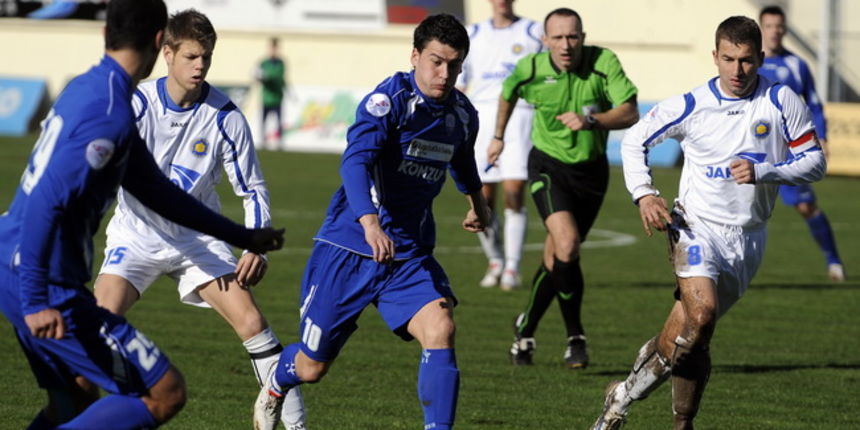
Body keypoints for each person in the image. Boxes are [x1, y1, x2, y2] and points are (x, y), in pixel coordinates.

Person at [0, 1, 285, 429]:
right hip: (41, 278)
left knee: (74, 401)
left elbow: (156, 191)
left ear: (105, 34)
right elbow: (46, 202)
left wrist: (241, 235)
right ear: (159, 44)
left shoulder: (89, 88)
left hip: (15, 262)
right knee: (165, 392)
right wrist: (37, 297)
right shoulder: (111, 113)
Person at [252, 14, 490, 430]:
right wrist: (370, 223)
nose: (444, 74)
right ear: (415, 56)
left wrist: (478, 203)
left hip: (408, 254)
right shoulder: (388, 102)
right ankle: (277, 382)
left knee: (441, 328)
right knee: (312, 367)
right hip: (350, 246)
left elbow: (463, 158)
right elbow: (354, 162)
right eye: (436, 61)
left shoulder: (463, 113)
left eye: (454, 65)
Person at [591, 16, 827, 430]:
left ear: (761, 58)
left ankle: (621, 398)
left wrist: (764, 171)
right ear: (715, 56)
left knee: (683, 336)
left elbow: (815, 162)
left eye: (747, 60)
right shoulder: (693, 104)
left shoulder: (781, 100)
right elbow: (635, 139)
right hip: (695, 227)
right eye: (729, 59)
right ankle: (683, 423)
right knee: (702, 315)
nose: (738, 70)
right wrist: (645, 193)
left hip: (749, 238)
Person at [91, 10, 304, 429]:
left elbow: (252, 188)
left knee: (253, 323)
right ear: (167, 53)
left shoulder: (225, 116)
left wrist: (255, 248)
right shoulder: (137, 104)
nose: (200, 65)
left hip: (196, 241)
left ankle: (296, 426)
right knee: (98, 322)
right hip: (135, 236)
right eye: (191, 56)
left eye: (206, 57)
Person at [489, 7, 638, 368]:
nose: (566, 45)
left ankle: (525, 329)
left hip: (591, 172)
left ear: (583, 37)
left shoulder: (603, 63)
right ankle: (576, 338)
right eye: (557, 37)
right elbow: (508, 92)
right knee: (567, 244)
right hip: (547, 166)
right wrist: (498, 136)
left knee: (557, 256)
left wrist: (592, 120)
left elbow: (630, 111)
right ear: (545, 40)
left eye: (572, 36)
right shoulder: (531, 68)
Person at [456, 0, 542, 290]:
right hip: (482, 116)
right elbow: (461, 80)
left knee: (515, 192)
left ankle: (512, 267)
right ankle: (495, 260)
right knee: (482, 198)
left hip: (520, 115)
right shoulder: (473, 34)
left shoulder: (533, 31)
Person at [758, 5, 845, 282]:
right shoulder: (749, 63)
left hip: (789, 152)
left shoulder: (797, 65)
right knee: (739, 206)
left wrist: (823, 137)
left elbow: (815, 105)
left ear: (784, 29)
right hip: (755, 150)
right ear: (761, 28)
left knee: (806, 206)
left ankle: (834, 261)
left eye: (778, 26)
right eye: (769, 26)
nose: (774, 31)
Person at [257, 37, 287, 149]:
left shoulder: (281, 63)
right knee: (264, 121)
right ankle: (263, 141)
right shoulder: (264, 63)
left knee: (278, 121)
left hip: (277, 98)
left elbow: (279, 77)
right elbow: (258, 75)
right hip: (266, 97)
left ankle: (279, 142)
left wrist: (267, 77)